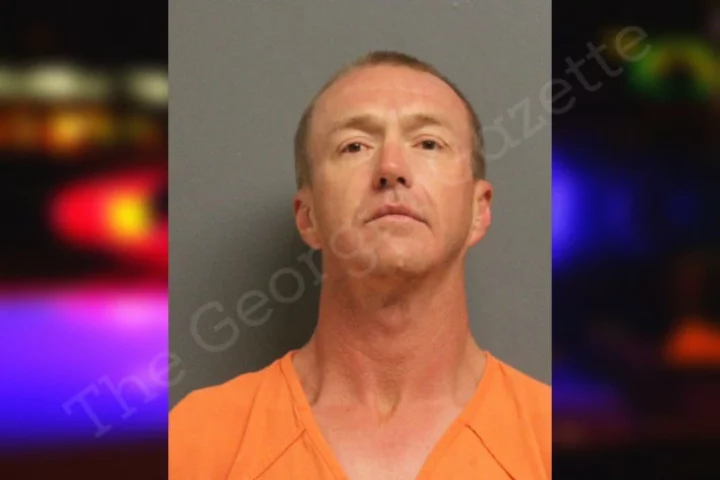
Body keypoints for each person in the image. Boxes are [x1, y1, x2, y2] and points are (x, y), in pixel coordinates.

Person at [170, 50, 551, 480]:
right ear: (307, 217)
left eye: (429, 143)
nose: (391, 168)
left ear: (479, 211)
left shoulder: (555, 438)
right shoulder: (195, 439)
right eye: (354, 146)